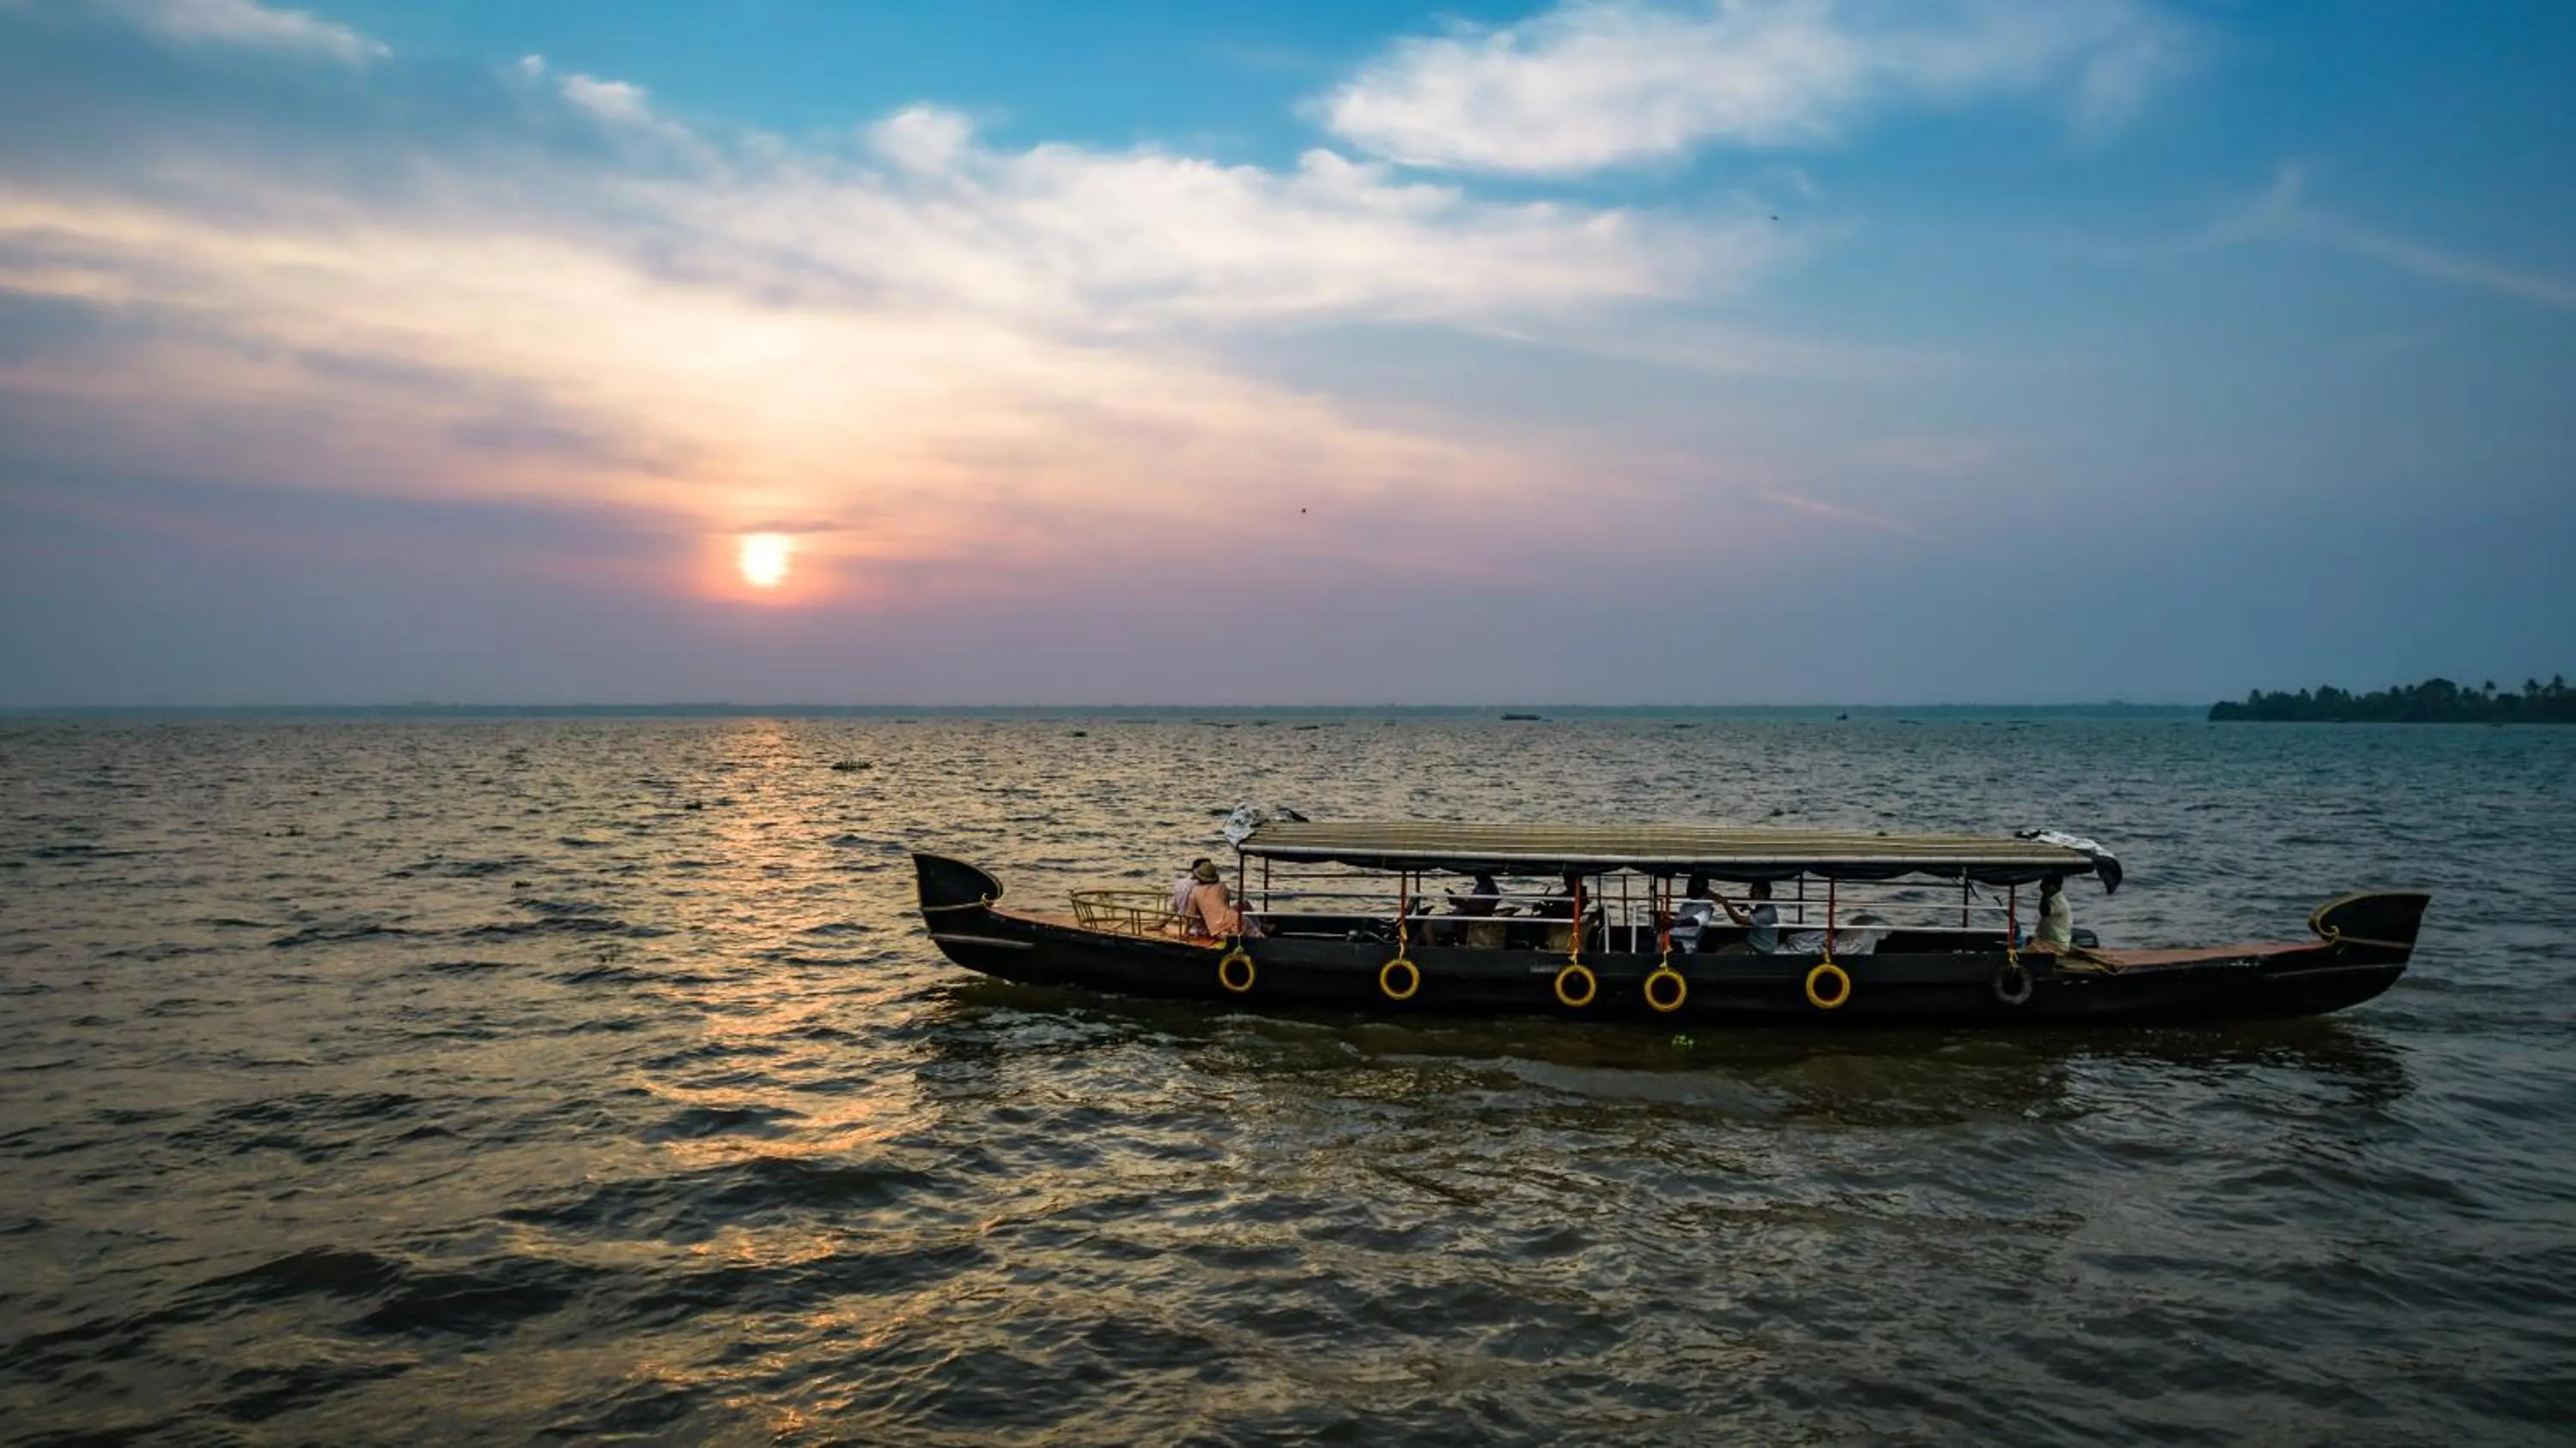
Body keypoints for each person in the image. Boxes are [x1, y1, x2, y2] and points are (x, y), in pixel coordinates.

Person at [1182, 859, 1260, 940]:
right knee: (1258, 937)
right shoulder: (1222, 886)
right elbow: (1226, 906)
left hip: (1217, 930)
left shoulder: (1195, 892)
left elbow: (1190, 917)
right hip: (1236, 920)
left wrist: (1185, 932)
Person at [1712, 879, 1780, 955]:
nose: (1751, 895)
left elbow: (1739, 920)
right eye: (1751, 892)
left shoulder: (1766, 913)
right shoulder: (1764, 907)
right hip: (1754, 941)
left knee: (1720, 954)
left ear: (1763, 894)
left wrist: (1725, 903)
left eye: (1754, 893)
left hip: (1759, 948)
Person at [1669, 874, 1720, 952]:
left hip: (1685, 944)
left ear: (1698, 887)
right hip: (1672, 936)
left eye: (1690, 885)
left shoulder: (1705, 906)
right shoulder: (1687, 904)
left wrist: (1674, 923)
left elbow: (1696, 920)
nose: (1687, 888)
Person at [2033, 874, 2073, 952]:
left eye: (2045, 884)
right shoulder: (2050, 899)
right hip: (2045, 941)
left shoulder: (2060, 901)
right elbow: (2042, 911)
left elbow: (2045, 912)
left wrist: (2045, 893)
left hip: (2057, 944)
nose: (2042, 886)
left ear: (2052, 886)